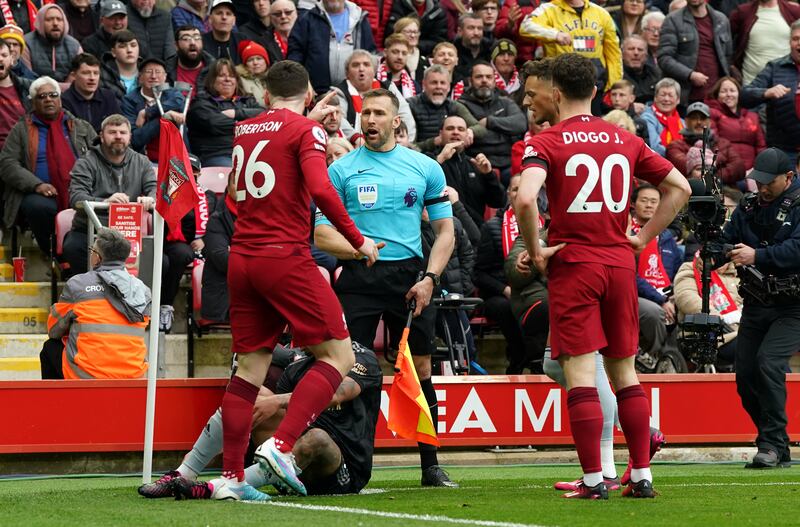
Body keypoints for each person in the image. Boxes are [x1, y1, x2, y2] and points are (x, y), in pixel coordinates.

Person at [516, 53, 690, 499]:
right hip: (618, 265)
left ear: (555, 93)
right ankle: (642, 475)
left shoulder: (547, 142)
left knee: (578, 375)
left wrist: (536, 250)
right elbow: (681, 188)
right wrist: (642, 236)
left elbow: (525, 199)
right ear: (595, 91)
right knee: (625, 374)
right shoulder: (624, 138)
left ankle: (594, 479)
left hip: (575, 265)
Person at [209, 60, 377, 501]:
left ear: (264, 96)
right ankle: (281, 446)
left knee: (247, 371)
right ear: (307, 96)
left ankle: (232, 478)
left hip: (242, 258)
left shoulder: (244, 129)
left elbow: (236, 187)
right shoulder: (307, 131)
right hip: (283, 256)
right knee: (339, 355)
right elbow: (321, 189)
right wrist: (357, 240)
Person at [314, 88, 457, 488]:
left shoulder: (424, 167)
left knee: (420, 368)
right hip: (359, 277)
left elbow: (446, 232)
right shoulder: (341, 170)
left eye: (379, 113)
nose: (370, 120)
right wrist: (357, 248)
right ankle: (352, 464)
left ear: (396, 120)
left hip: (411, 278)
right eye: (365, 113)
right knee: (351, 369)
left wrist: (430, 279)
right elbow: (321, 234)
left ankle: (431, 465)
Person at [138, 342, 382, 499]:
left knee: (317, 439)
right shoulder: (297, 369)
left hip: (344, 470)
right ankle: (183, 473)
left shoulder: (359, 356)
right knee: (245, 397)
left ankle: (219, 487)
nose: (297, 333)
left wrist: (278, 401)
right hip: (292, 467)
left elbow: (339, 392)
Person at [718, 147, 800, 469]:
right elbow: (726, 239)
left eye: (768, 182)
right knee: (745, 375)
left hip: (793, 305)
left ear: (789, 177)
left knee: (768, 363)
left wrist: (757, 256)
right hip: (756, 302)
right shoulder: (748, 205)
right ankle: (776, 445)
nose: (761, 188)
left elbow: (797, 248)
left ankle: (770, 443)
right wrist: (720, 248)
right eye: (757, 181)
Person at [0, 76, 96, 256]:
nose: (48, 99)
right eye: (42, 97)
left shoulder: (79, 126)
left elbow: (99, 155)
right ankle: (55, 254)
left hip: (81, 189)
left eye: (53, 95)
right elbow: (7, 164)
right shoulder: (21, 129)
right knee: (38, 207)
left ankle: (81, 255)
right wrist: (36, 185)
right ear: (33, 103)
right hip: (39, 193)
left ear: (60, 99)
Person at [42, 228, 151, 380]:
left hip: (87, 376)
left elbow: (54, 329)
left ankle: (59, 403)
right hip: (133, 376)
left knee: (50, 348)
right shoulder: (143, 291)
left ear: (98, 258)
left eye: (92, 250)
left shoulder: (78, 284)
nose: (91, 253)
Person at [62, 114, 156, 276]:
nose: (118, 136)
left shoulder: (142, 162)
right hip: (91, 231)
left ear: (130, 137)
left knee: (163, 261)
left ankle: (143, 300)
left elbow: (154, 189)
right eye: (112, 132)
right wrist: (105, 201)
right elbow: (76, 197)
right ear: (102, 136)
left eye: (122, 132)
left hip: (128, 232)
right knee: (72, 248)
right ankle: (92, 293)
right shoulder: (86, 162)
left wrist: (150, 198)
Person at [674, 187, 742, 370]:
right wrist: (718, 316)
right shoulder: (690, 269)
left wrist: (742, 315)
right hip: (707, 336)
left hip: (742, 331)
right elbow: (685, 298)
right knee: (748, 351)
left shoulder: (739, 272)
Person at [629, 183, 682, 371]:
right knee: (654, 313)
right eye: (644, 201)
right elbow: (629, 276)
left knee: (688, 312)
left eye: (654, 202)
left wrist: (675, 296)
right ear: (633, 204)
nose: (649, 205)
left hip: (667, 294)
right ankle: (653, 358)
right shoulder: (627, 234)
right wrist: (661, 300)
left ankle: (673, 362)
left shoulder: (666, 236)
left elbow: (678, 271)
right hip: (634, 294)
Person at [520, 0, 622, 95]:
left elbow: (614, 54)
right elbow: (526, 27)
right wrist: (555, 35)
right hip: (560, 85)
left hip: (595, 84)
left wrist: (614, 86)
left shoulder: (601, 13)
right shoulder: (549, 9)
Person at [741, 20, 800, 165]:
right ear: (789, 42)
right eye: (796, 39)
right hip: (784, 151)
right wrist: (766, 92)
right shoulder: (775, 68)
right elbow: (744, 96)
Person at [458, 61, 527, 184]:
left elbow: (521, 124)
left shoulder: (506, 102)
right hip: (475, 162)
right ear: (470, 80)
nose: (484, 80)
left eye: (489, 77)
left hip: (507, 164)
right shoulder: (461, 105)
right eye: (479, 77)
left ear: (494, 81)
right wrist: (503, 130)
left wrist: (489, 122)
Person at [286, 0, 377, 94]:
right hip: (315, 94)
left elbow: (370, 55)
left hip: (353, 94)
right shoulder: (307, 19)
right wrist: (303, 85)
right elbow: (295, 57)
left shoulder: (360, 18)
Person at [185, 58, 263, 166]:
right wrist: (252, 125)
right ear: (212, 80)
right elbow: (214, 124)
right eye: (222, 75)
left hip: (250, 153)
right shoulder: (201, 103)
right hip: (217, 155)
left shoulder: (246, 100)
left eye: (231, 76)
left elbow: (265, 115)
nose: (227, 79)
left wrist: (236, 114)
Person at [434, 115, 505, 227]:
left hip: (476, 233)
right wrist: (440, 159)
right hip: (442, 229)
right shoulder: (429, 162)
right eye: (450, 128)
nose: (455, 132)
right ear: (440, 134)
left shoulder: (476, 164)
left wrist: (489, 175)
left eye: (461, 129)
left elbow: (498, 202)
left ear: (467, 135)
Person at [331, 50, 416, 143]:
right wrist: (355, 138)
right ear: (347, 73)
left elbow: (404, 115)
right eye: (355, 65)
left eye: (366, 64)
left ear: (374, 70)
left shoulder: (388, 87)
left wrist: (406, 141)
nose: (361, 69)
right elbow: (339, 120)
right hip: (352, 146)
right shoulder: (338, 92)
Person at [657, 0, 733, 105]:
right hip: (687, 96)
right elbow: (664, 58)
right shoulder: (672, 20)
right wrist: (690, 75)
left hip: (717, 95)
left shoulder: (721, 20)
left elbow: (728, 56)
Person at [666, 101, 746, 187]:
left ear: (710, 122)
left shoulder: (723, 143)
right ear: (686, 121)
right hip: (691, 190)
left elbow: (739, 167)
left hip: (723, 189)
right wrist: (718, 161)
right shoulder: (675, 145)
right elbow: (685, 165)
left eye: (703, 118)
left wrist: (714, 177)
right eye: (694, 118)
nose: (699, 122)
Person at [408, 64, 483, 153]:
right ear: (424, 85)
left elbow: (480, 128)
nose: (438, 87)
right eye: (434, 82)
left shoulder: (454, 106)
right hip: (421, 158)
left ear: (449, 87)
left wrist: (470, 131)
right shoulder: (410, 105)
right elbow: (408, 145)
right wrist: (435, 142)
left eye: (443, 83)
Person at [729, 0, 800, 86]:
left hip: (785, 82)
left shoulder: (793, 11)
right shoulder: (743, 12)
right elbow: (725, 41)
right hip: (751, 82)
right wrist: (731, 65)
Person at [706, 76, 765, 171]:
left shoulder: (752, 116)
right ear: (717, 95)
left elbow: (761, 146)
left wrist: (758, 169)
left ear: (739, 94)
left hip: (753, 171)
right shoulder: (711, 113)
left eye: (732, 90)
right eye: (724, 91)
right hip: (726, 169)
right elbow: (714, 143)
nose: (728, 94)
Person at [22, 4, 83, 83]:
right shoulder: (27, 43)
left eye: (59, 19)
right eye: (49, 19)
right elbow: (26, 79)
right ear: (40, 22)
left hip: (69, 94)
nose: (55, 23)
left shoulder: (74, 45)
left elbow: (79, 78)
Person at [62, 53, 122, 133]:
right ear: (74, 75)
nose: (92, 78)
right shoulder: (65, 101)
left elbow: (118, 126)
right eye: (86, 73)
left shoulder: (108, 97)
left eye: (96, 73)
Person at [0, 39, 31, 150]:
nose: (0, 59)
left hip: (24, 150)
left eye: (4, 55)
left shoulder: (27, 88)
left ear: (12, 60)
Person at [640, 77, 684, 156]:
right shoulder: (647, 118)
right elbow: (655, 148)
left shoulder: (682, 123)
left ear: (678, 100)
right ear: (655, 98)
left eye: (670, 95)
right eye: (662, 95)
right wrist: (677, 157)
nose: (666, 99)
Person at [167, 26, 215, 96]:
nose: (192, 43)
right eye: (186, 39)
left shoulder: (215, 70)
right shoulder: (166, 71)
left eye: (197, 38)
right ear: (176, 45)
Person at [100, 30, 142, 101]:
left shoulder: (150, 72)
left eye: (133, 45)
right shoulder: (101, 75)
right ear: (113, 52)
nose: (129, 50)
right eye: (122, 46)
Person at [494, 0, 538, 65]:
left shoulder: (539, 3)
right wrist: (509, 25)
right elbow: (498, 31)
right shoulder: (511, 3)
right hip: (517, 57)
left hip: (537, 56)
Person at [622, 34, 661, 106]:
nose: (636, 53)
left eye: (640, 50)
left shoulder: (656, 74)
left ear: (646, 56)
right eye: (631, 49)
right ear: (622, 54)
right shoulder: (616, 75)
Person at [377, 33, 419, 98]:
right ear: (385, 53)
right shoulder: (373, 79)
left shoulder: (414, 86)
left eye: (404, 53)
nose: (400, 57)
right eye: (395, 52)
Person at [452, 13, 491, 84]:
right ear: (460, 31)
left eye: (479, 28)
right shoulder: (451, 52)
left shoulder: (490, 49)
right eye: (471, 28)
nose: (476, 33)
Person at [235, 40, 270, 105]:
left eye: (259, 58)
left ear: (266, 61)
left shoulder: (274, 78)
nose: (255, 63)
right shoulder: (240, 81)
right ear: (245, 65)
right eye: (250, 60)